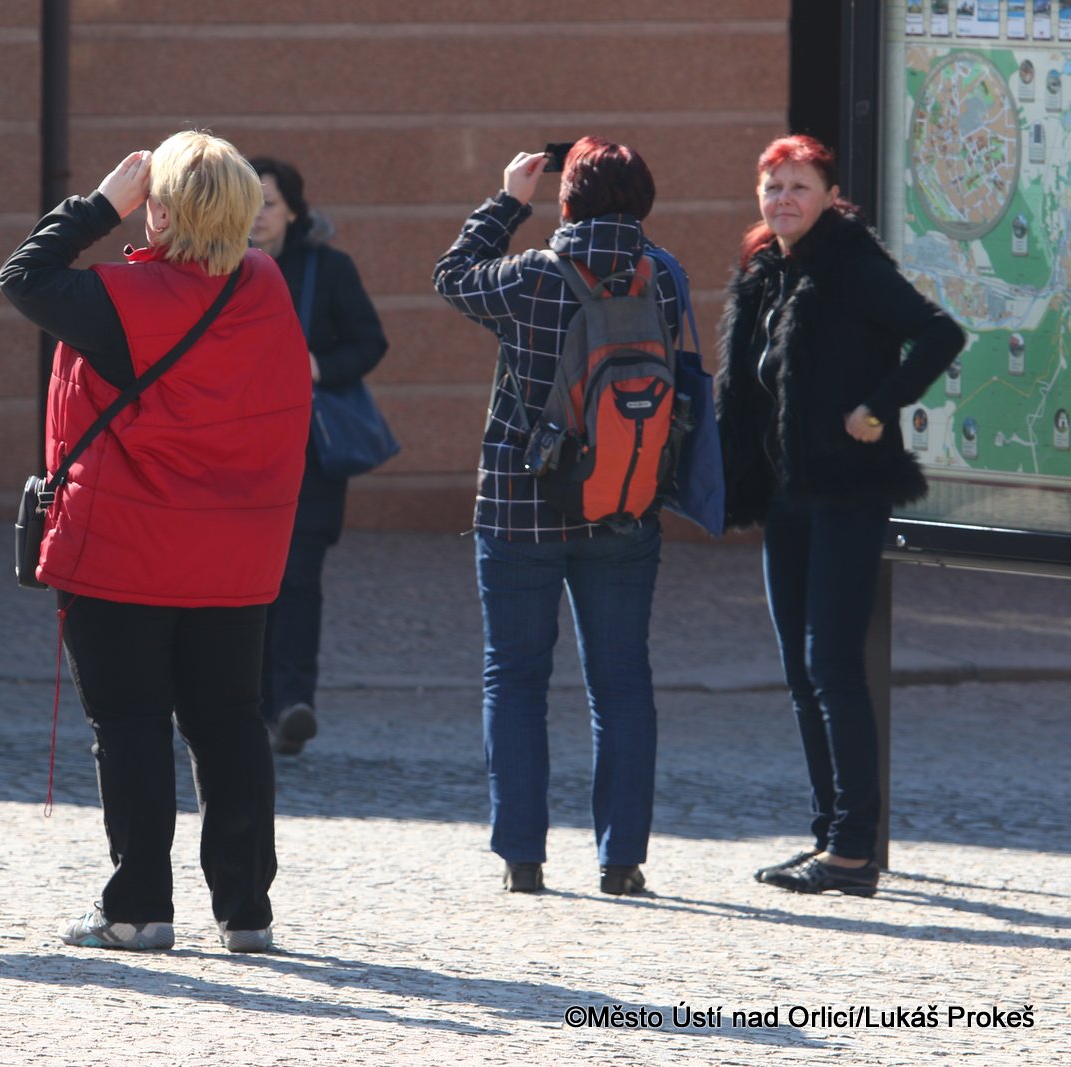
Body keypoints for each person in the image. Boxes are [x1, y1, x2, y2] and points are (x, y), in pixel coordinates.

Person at [0, 131, 310, 953]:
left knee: (132, 725)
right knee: (230, 723)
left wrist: (101, 205)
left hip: (123, 552)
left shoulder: (119, 301)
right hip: (235, 555)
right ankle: (246, 911)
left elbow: (22, 276)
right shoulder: (266, 285)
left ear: (161, 212)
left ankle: (138, 908)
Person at [717, 134, 963, 897]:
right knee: (799, 669)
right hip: (787, 493)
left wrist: (877, 407)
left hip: (849, 490)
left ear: (829, 194)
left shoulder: (852, 265)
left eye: (799, 186)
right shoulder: (769, 272)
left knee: (832, 664)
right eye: (773, 186)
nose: (783, 199)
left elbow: (940, 334)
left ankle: (854, 850)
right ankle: (830, 834)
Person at [433, 137, 677, 897]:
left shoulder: (531, 275)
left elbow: (451, 277)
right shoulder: (662, 276)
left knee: (514, 676)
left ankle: (522, 857)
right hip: (624, 504)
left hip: (522, 504)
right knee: (622, 681)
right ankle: (622, 860)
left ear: (566, 200)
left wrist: (508, 201)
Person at [247, 156, 389, 756]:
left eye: (269, 204)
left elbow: (370, 342)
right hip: (233, 455)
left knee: (297, 580)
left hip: (308, 456)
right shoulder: (215, 268)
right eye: (247, 204)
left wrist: (318, 367)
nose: (257, 216)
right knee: (242, 583)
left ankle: (290, 706)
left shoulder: (327, 270)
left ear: (294, 211)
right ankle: (247, 706)